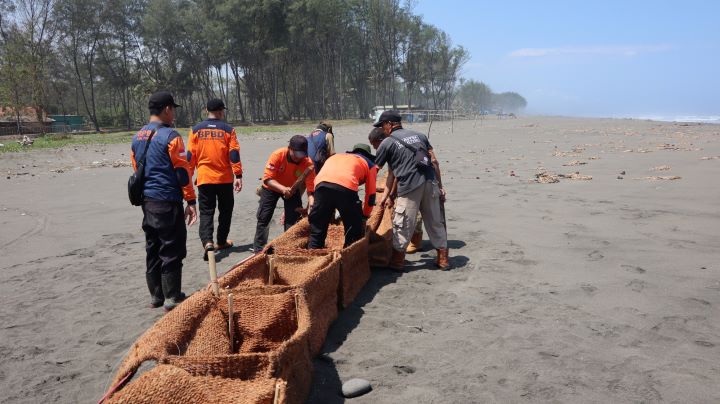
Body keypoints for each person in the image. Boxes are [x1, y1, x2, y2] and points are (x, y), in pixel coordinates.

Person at [131, 91, 197, 311]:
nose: (174, 115)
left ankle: (155, 296)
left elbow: (137, 169)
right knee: (172, 247)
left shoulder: (138, 136)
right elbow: (181, 171)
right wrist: (190, 200)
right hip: (167, 200)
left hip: (147, 201)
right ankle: (172, 297)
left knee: (152, 247)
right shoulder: (171, 136)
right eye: (173, 110)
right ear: (167, 109)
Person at [372, 110, 450, 270]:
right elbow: (434, 162)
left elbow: (375, 170)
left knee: (403, 224)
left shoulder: (387, 143)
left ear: (390, 124)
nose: (382, 129)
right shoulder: (420, 136)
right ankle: (443, 259)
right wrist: (440, 187)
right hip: (430, 182)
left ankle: (397, 261)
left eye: (382, 126)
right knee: (435, 221)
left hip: (409, 186)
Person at [188, 98, 243, 260]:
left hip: (204, 179)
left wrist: (188, 176)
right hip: (224, 179)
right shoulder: (228, 130)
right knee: (225, 211)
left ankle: (208, 243)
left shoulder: (195, 130)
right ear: (220, 111)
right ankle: (221, 240)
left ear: (206, 110)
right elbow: (233, 153)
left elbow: (191, 156)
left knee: (206, 212)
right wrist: (238, 175)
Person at [253, 135, 316, 252]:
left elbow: (311, 188)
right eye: (297, 154)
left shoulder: (308, 163)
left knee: (293, 219)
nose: (299, 158)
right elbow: (267, 179)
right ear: (289, 149)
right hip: (272, 187)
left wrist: (311, 204)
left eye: (302, 155)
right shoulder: (278, 155)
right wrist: (282, 189)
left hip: (292, 189)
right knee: (264, 217)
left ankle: (289, 247)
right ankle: (259, 249)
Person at [308, 143, 377, 249]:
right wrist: (365, 215)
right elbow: (371, 194)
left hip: (320, 186)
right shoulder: (370, 164)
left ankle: (313, 256)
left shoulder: (335, 157)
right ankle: (349, 254)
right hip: (346, 188)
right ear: (368, 155)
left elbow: (322, 176)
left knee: (317, 227)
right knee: (353, 228)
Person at [369, 127, 423, 254]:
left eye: (375, 144)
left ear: (381, 140)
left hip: (414, 182)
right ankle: (414, 241)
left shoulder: (390, 146)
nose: (375, 149)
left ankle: (415, 243)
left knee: (411, 214)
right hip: (417, 179)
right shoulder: (400, 143)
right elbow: (392, 173)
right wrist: (387, 196)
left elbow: (396, 176)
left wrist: (391, 196)